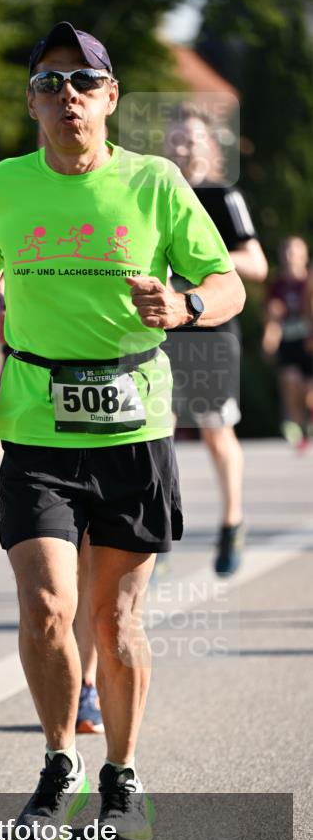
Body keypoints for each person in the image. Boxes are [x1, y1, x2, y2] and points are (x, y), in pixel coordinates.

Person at [0, 21, 244, 840]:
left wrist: (184, 306)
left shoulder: (153, 183)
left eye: (82, 82)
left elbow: (226, 285)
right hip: (36, 424)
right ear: (31, 103)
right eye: (48, 84)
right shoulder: (2, 185)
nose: (65, 96)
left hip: (132, 426)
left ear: (110, 97)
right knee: (47, 605)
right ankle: (56, 766)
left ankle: (121, 774)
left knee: (114, 624)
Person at [162, 104, 268, 574]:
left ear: (210, 146)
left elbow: (258, 265)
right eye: (176, 139)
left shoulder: (223, 196)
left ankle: (232, 522)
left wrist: (203, 258)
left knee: (213, 431)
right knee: (153, 432)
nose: (184, 147)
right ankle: (154, 535)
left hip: (210, 331)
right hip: (158, 330)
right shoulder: (154, 192)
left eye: (192, 139)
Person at [263, 236, 313, 448]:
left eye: (295, 252)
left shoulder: (308, 283)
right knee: (290, 381)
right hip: (289, 345)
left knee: (309, 394)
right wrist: (269, 338)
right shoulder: (277, 286)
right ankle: (297, 426)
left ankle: (306, 421)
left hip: (309, 345)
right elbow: (272, 316)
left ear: (304, 256)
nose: (290, 256)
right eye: (286, 252)